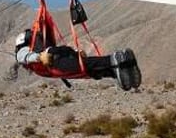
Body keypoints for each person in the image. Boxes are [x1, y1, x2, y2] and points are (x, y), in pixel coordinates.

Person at [14, 29, 142, 91]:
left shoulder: (22, 51)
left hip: (56, 61)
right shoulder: (38, 47)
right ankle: (119, 69)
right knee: (89, 70)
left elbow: (24, 57)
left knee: (85, 66)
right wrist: (75, 53)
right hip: (59, 54)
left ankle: (114, 59)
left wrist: (38, 57)